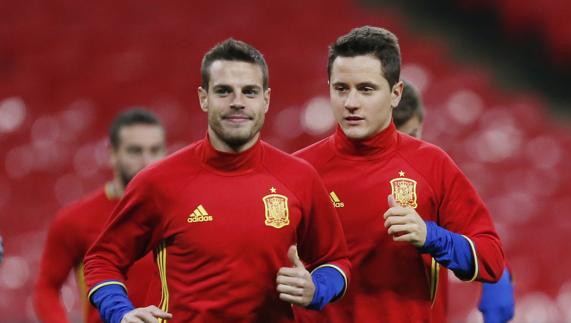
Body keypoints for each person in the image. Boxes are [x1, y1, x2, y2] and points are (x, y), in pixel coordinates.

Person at [83, 39, 351, 323]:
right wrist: (120, 312)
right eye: (224, 91)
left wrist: (317, 289)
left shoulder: (300, 177)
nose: (237, 102)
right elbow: (103, 259)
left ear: (266, 99)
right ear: (203, 97)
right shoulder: (159, 181)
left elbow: (335, 260)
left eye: (249, 92)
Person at [294, 26, 505, 323]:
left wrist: (432, 236)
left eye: (366, 89)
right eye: (341, 88)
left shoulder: (431, 164)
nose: (351, 102)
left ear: (395, 94)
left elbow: (491, 259)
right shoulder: (296, 173)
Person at [394, 81, 515, 323]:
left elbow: (485, 249)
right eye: (396, 138)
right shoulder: (334, 186)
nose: (408, 147)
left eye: (414, 135)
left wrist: (498, 277)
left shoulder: (434, 182)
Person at [33, 109, 167, 323]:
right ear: (112, 153)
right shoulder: (75, 219)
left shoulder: (182, 211)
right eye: (135, 151)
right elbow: (47, 288)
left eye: (155, 150)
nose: (147, 160)